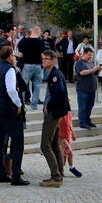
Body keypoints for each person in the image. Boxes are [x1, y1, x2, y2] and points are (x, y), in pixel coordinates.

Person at [0, 46, 28, 185]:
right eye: (13, 56)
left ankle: (2, 174)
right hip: (9, 111)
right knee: (17, 143)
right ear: (10, 56)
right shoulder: (9, 69)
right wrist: (18, 104)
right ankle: (16, 176)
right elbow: (11, 89)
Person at [39, 51, 70, 187]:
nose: (43, 61)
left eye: (45, 59)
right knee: (54, 144)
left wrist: (48, 106)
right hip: (57, 112)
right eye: (43, 59)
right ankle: (59, 173)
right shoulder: (52, 73)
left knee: (45, 145)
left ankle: (56, 177)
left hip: (54, 113)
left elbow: (60, 93)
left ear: (53, 60)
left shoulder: (55, 75)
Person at [18, 26, 45, 110]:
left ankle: (21, 105)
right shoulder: (40, 42)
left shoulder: (25, 41)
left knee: (23, 85)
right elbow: (42, 54)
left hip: (27, 65)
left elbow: (20, 53)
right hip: (37, 65)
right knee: (37, 86)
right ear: (38, 32)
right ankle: (34, 105)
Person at [73, 48, 99, 129]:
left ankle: (88, 120)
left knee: (90, 106)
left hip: (92, 88)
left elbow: (94, 73)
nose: (91, 57)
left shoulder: (91, 63)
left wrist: (98, 70)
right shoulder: (79, 63)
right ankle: (82, 122)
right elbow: (82, 72)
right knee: (83, 106)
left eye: (92, 55)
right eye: (89, 55)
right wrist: (93, 70)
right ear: (84, 54)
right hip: (83, 89)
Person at [58, 110, 80, 177]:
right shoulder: (59, 114)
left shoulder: (69, 113)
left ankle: (61, 170)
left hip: (68, 137)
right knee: (70, 153)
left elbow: (70, 124)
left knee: (64, 155)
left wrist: (73, 133)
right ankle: (72, 167)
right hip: (62, 138)